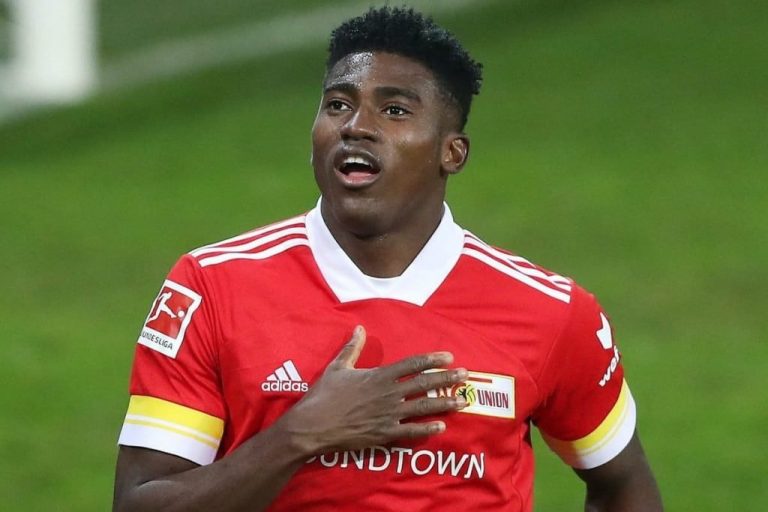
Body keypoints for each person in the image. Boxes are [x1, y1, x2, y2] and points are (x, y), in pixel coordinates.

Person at [113, 7, 662, 511]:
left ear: (452, 152)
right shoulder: (212, 288)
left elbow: (623, 484)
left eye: (394, 110)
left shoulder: (551, 313)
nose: (355, 125)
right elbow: (138, 503)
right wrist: (300, 434)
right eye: (338, 104)